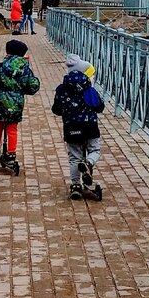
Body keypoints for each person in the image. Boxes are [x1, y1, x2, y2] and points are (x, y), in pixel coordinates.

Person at [51, 53, 106, 200]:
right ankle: (88, 163)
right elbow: (99, 106)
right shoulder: (89, 89)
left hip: (71, 127)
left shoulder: (62, 89)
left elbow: (56, 109)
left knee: (74, 157)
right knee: (94, 150)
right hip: (90, 126)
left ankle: (75, 186)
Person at [0, 38, 40, 173]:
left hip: (0, 102)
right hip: (16, 103)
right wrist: (24, 90)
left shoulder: (1, 67)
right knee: (12, 128)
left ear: (7, 53)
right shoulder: (25, 69)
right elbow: (32, 85)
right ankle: (11, 153)